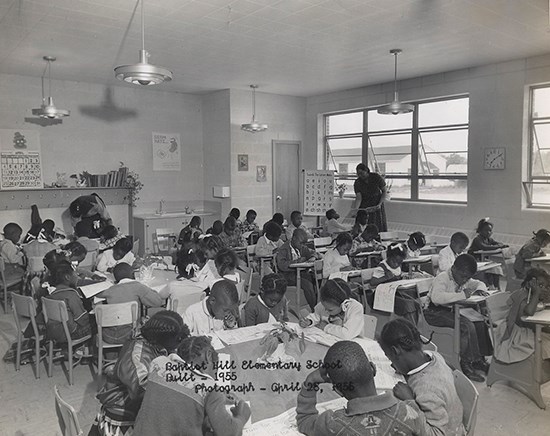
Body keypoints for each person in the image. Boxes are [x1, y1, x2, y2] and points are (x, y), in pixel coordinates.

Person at [296, 341, 428, 436]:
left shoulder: (333, 424)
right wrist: (411, 401)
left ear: (338, 391)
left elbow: (305, 421)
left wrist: (311, 381)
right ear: (373, 369)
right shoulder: (409, 413)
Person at [91, 311, 189, 436]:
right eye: (176, 342)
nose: (176, 347)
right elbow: (143, 392)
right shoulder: (136, 356)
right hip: (122, 414)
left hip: (135, 404)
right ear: (160, 341)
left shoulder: (152, 340)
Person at [133, 336, 251, 436]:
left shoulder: (158, 364)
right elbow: (228, 433)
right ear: (208, 356)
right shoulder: (210, 389)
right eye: (215, 368)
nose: (215, 376)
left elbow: (176, 399)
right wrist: (241, 416)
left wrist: (216, 399)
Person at [379, 318, 465, 436]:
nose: (391, 363)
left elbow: (437, 433)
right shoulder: (434, 356)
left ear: (395, 351)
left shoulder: (427, 390)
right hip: (452, 422)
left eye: (390, 358)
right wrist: (402, 367)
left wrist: (409, 401)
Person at [424, 254, 490, 381]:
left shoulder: (461, 277)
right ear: (454, 268)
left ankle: (478, 359)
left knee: (479, 322)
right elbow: (436, 298)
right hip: (433, 312)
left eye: (468, 277)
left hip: (450, 311)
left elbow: (479, 283)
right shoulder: (443, 277)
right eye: (464, 276)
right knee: (466, 325)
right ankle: (466, 364)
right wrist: (461, 295)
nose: (465, 280)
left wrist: (480, 290)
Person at [97, 263, 164, 344]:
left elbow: (98, 294)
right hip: (131, 334)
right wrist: (149, 290)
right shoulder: (138, 287)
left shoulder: (110, 290)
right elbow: (158, 302)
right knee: (148, 319)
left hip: (108, 336)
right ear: (133, 274)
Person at [493, 268, 550, 363]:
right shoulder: (522, 295)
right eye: (539, 285)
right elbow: (529, 311)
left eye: (545, 286)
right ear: (530, 284)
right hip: (518, 334)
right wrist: (536, 293)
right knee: (546, 344)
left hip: (530, 328)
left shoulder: (533, 296)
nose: (543, 289)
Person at [43, 260, 92, 344]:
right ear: (67, 277)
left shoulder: (51, 293)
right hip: (70, 334)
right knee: (98, 322)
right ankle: (90, 352)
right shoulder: (71, 295)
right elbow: (82, 320)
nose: (77, 276)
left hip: (53, 332)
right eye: (75, 274)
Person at [276, 228, 320, 311]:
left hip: (300, 273)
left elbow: (313, 252)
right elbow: (282, 265)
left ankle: (318, 305)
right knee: (308, 285)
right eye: (301, 243)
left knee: (316, 280)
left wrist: (313, 257)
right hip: (287, 276)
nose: (303, 245)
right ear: (294, 238)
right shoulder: (284, 249)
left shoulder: (302, 247)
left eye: (304, 243)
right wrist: (296, 261)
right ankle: (314, 310)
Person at [468, 217, 508, 289]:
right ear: (480, 231)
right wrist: (499, 246)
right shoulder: (477, 239)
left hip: (483, 260)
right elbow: (485, 247)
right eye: (486, 230)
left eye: (490, 231)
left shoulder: (489, 239)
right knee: (489, 270)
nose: (488, 232)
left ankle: (497, 286)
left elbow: (498, 243)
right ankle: (490, 286)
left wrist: (502, 245)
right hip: (474, 260)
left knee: (496, 267)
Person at [353, 163, 388, 232]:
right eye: (358, 174)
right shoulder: (357, 182)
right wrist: (356, 209)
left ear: (366, 171)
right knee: (363, 226)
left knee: (377, 226)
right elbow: (358, 198)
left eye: (362, 173)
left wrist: (380, 204)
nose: (360, 176)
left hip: (376, 205)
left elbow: (384, 191)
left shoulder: (376, 177)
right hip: (365, 206)